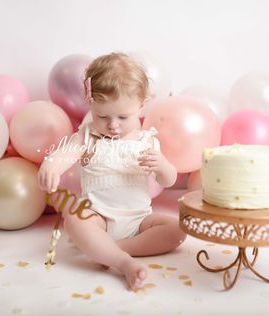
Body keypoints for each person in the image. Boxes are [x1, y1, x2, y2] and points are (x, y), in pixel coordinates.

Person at [38, 52, 186, 290]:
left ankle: (111, 250)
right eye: (102, 116)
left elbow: (167, 180)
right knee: (75, 220)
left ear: (141, 105)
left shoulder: (147, 141)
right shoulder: (88, 137)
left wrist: (162, 166)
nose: (113, 125)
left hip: (139, 222)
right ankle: (121, 261)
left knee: (178, 230)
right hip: (99, 218)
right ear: (90, 104)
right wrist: (50, 166)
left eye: (123, 117)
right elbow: (62, 155)